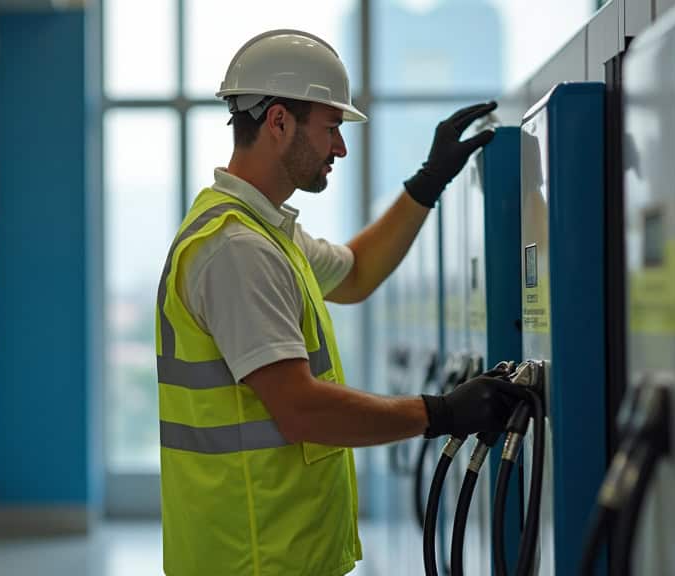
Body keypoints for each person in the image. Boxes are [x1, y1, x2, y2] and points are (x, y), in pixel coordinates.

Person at [156, 29, 522, 576]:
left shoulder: (265, 232)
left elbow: (356, 274)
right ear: (279, 122)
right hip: (253, 558)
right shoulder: (237, 249)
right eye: (331, 128)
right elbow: (301, 409)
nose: (340, 148)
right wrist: (441, 413)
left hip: (271, 552)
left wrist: (429, 181)